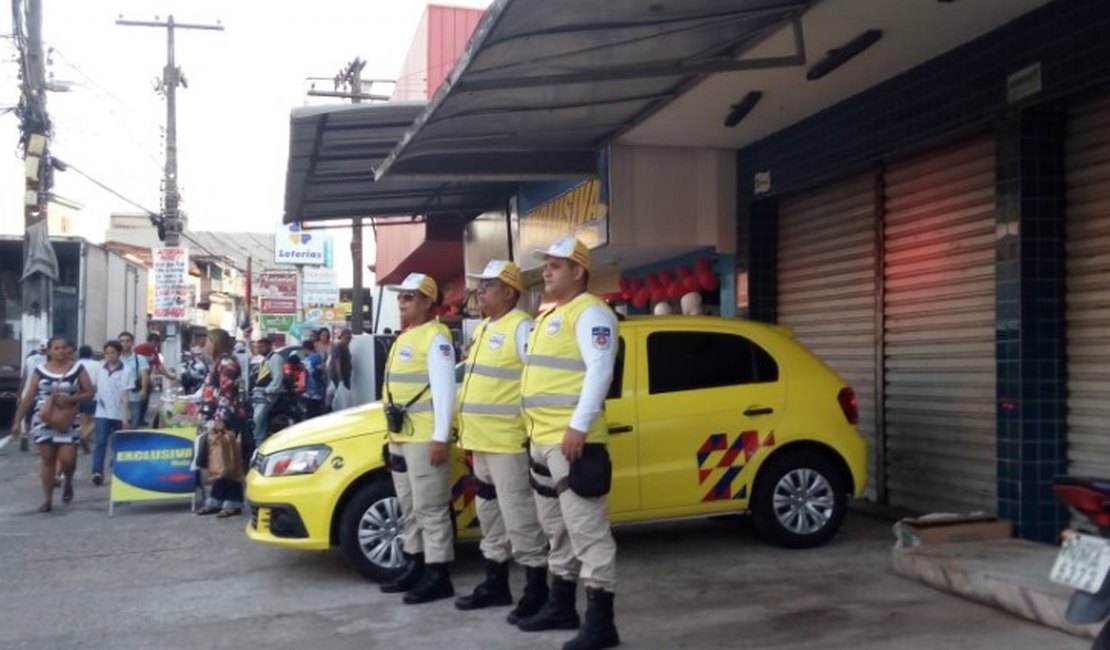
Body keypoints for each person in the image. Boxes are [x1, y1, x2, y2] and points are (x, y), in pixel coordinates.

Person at [517, 237, 620, 650]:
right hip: (543, 441)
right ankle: (562, 606)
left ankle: (601, 625)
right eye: (546, 265)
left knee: (588, 531)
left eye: (556, 266)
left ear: (578, 271)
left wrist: (578, 426)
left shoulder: (591, 312)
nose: (546, 271)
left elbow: (600, 370)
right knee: (556, 531)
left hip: (572, 443)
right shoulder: (548, 316)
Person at [453, 260, 550, 622]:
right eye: (480, 286)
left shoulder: (521, 327)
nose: (480, 292)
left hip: (508, 443)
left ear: (509, 292)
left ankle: (536, 590)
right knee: (490, 516)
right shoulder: (483, 329)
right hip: (480, 442)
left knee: (519, 516)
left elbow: (536, 381)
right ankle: (496, 584)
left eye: (488, 286)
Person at [379, 273, 457, 605]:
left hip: (425, 438)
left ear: (428, 302)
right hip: (401, 437)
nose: (402, 301)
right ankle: (415, 563)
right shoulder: (405, 337)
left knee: (431, 509)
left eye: (409, 297)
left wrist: (441, 436)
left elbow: (444, 390)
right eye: (400, 297)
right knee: (409, 508)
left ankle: (438, 574)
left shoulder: (436, 337)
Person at [10, 336, 96, 513]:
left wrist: (71, 398)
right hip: (44, 419)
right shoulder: (40, 370)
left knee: (68, 460)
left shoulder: (77, 368)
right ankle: (47, 500)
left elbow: (89, 392)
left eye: (64, 348)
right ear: (48, 351)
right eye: (56, 348)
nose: (61, 351)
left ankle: (68, 481)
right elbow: (29, 397)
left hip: (68, 420)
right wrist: (17, 421)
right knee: (47, 460)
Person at [196, 329, 248, 518]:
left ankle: (233, 502)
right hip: (219, 415)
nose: (206, 345)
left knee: (230, 459)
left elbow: (228, 392)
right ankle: (217, 500)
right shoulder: (218, 362)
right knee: (219, 459)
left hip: (227, 416)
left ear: (216, 342)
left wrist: (221, 418)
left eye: (209, 340)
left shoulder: (226, 362)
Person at [91, 340, 133, 486]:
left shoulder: (126, 370)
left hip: (118, 413)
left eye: (113, 353)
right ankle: (97, 472)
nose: (110, 355)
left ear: (119, 354)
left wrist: (125, 417)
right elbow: (94, 386)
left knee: (117, 444)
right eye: (107, 353)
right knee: (101, 441)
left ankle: (117, 470)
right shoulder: (99, 368)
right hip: (102, 411)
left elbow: (125, 395)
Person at [250, 338, 285, 447]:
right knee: (259, 421)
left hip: (268, 394)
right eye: (258, 347)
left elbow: (278, 377)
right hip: (260, 393)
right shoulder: (265, 360)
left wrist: (268, 390)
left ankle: (259, 444)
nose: (260, 349)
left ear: (269, 346)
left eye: (262, 346)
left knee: (258, 420)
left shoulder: (275, 358)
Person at [17, 342, 46, 452]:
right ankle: (38, 445)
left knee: (28, 419)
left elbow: (23, 379)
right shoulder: (49, 361)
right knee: (41, 420)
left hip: (27, 394)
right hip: (42, 395)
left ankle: (25, 435)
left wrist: (19, 395)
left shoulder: (29, 360)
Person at [118, 332, 150, 428]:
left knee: (134, 421)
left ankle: (132, 438)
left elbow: (144, 375)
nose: (124, 343)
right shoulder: (116, 358)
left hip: (134, 394)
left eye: (127, 341)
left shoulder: (140, 359)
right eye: (122, 341)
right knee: (120, 422)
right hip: (118, 395)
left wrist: (144, 390)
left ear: (132, 342)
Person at [76, 345, 99, 453]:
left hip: (79, 394)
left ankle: (86, 442)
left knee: (84, 418)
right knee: (97, 419)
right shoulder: (97, 365)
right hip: (94, 394)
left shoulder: (75, 364)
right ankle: (85, 435)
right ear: (91, 353)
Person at [300, 340, 326, 418]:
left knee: (312, 415)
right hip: (317, 391)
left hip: (312, 392)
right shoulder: (318, 357)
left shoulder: (309, 359)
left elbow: (312, 374)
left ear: (305, 349)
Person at [328, 329, 353, 411]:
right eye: (347, 338)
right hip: (339, 376)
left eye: (350, 338)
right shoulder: (338, 347)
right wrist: (340, 378)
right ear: (341, 337)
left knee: (344, 397)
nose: (349, 340)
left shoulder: (345, 347)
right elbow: (337, 363)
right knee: (340, 397)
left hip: (345, 375)